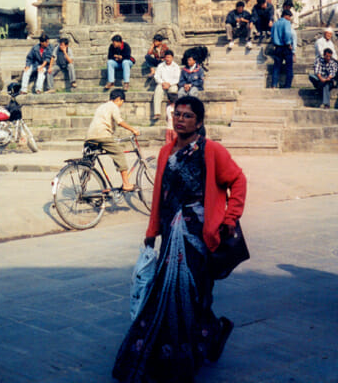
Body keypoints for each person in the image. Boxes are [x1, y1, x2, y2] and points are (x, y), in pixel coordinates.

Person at [113, 96, 247, 383]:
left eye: (187, 116)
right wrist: (151, 233)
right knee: (166, 295)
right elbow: (160, 194)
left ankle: (207, 336)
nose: (180, 119)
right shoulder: (165, 152)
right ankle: (184, 348)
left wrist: (230, 218)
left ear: (199, 122)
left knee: (195, 295)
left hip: (200, 236)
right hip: (170, 234)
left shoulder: (211, 151)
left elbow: (238, 181)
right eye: (177, 114)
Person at [85, 88, 139, 192]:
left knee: (92, 159)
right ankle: (126, 184)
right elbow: (119, 121)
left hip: (90, 136)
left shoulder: (102, 106)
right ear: (119, 99)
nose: (120, 105)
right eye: (121, 102)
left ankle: (101, 186)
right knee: (119, 154)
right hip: (102, 135)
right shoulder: (113, 106)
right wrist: (133, 130)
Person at [152, 50, 180, 120]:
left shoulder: (176, 66)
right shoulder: (160, 66)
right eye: (166, 57)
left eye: (169, 57)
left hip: (172, 84)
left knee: (174, 90)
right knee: (157, 91)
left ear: (172, 58)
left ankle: (172, 111)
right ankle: (157, 113)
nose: (168, 59)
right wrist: (162, 83)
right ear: (164, 58)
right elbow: (157, 76)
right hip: (162, 84)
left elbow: (177, 78)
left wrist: (169, 84)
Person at [270, 9, 295, 88]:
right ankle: (287, 85)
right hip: (285, 47)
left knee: (276, 67)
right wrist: (288, 43)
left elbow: (272, 36)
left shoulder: (275, 24)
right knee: (289, 67)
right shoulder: (286, 23)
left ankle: (274, 84)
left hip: (277, 47)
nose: (290, 19)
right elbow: (287, 33)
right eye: (289, 17)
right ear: (286, 16)